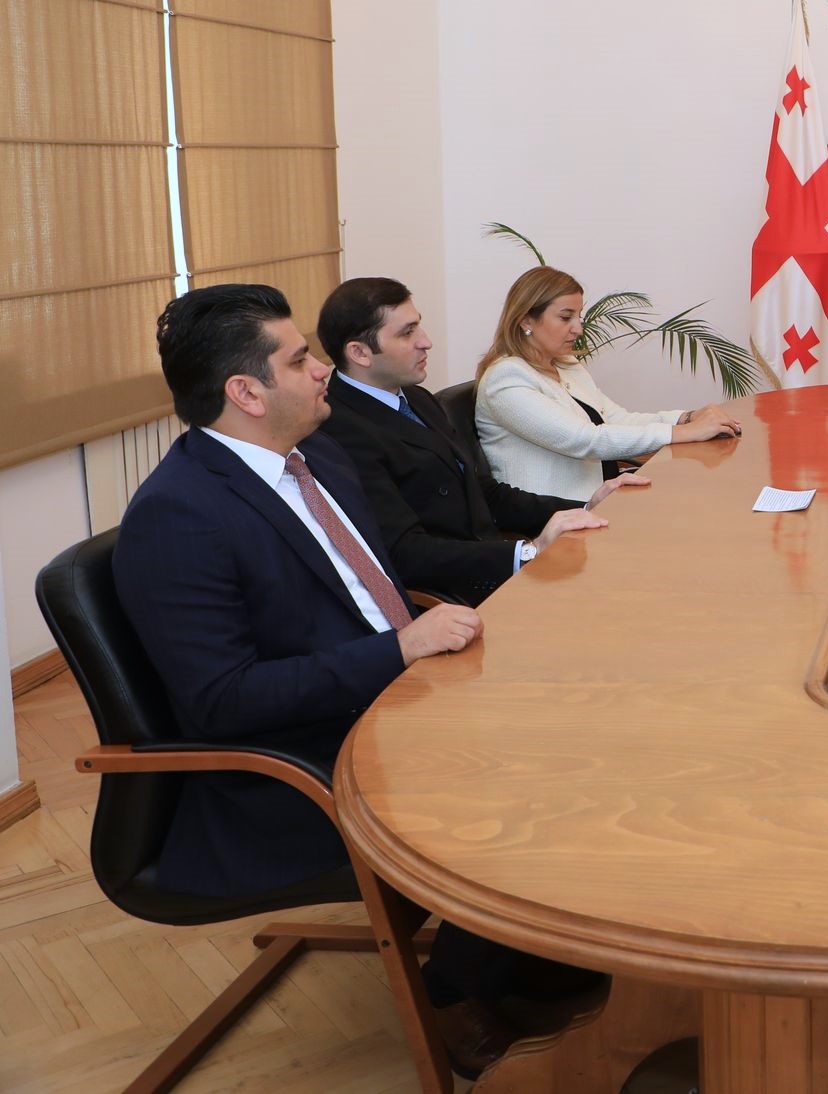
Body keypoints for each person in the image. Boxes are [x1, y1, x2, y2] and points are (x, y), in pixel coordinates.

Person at [113, 285, 603, 1078]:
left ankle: (529, 945)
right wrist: (399, 652)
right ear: (246, 393)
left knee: (584, 713)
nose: (321, 372)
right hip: (295, 768)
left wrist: (421, 650)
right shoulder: (179, 515)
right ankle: (452, 991)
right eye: (299, 359)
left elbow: (374, 586)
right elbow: (223, 700)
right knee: (528, 772)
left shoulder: (318, 457)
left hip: (391, 704)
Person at [318, 276, 628, 607]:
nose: (426, 342)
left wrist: (584, 507)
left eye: (419, 326)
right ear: (360, 352)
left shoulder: (416, 398)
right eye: (407, 333)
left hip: (495, 565)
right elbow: (406, 552)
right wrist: (526, 552)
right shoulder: (339, 430)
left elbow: (482, 492)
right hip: (457, 598)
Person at [475, 265, 741, 501]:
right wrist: (686, 432)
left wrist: (686, 418)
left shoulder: (567, 365)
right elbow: (585, 440)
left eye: (579, 316)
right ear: (526, 320)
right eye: (566, 317)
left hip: (604, 495)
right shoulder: (506, 378)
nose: (578, 328)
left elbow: (616, 419)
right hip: (556, 514)